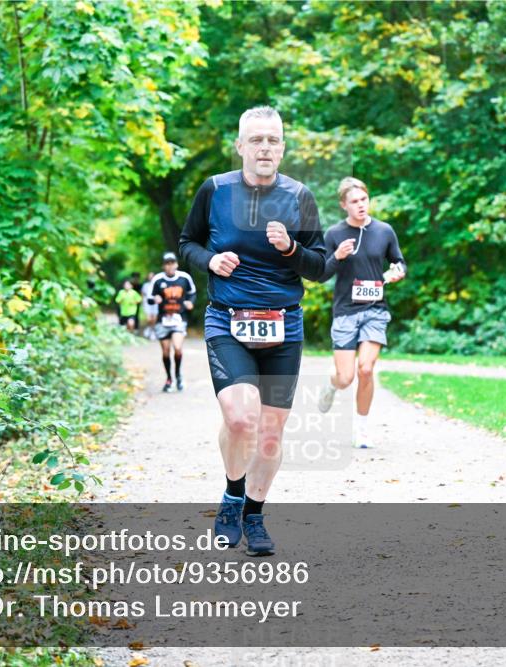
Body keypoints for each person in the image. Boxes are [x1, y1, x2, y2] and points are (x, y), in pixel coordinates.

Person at [178, 105, 327, 556]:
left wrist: (290, 249)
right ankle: (231, 495)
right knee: (240, 419)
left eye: (274, 139)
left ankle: (254, 516)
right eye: (257, 139)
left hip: (284, 324)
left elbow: (320, 268)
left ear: (283, 147)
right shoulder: (215, 190)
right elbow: (187, 244)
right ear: (241, 145)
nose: (266, 147)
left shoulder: (300, 195)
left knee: (268, 435)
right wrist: (210, 261)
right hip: (228, 319)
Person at [316, 177, 406, 450]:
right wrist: (337, 257)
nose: (360, 205)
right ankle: (332, 386)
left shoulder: (384, 231)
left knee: (366, 369)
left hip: (375, 311)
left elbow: (399, 261)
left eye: (364, 200)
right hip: (345, 312)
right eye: (354, 202)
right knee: (346, 378)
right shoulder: (334, 234)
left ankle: (362, 429)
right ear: (344, 205)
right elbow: (321, 273)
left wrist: (398, 271)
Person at [152, 253, 196, 392]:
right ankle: (169, 378)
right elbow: (149, 298)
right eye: (167, 263)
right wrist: (156, 298)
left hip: (179, 318)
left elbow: (192, 292)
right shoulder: (158, 280)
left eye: (172, 263)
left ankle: (178, 375)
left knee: (177, 348)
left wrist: (190, 302)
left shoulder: (184, 278)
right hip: (163, 320)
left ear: (176, 264)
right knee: (165, 352)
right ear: (163, 265)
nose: (170, 266)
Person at [141, 271, 158, 339]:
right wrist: (142, 302)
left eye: (152, 276)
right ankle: (149, 328)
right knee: (149, 319)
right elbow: (142, 294)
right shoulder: (145, 285)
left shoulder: (157, 284)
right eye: (150, 276)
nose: (151, 278)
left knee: (154, 318)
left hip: (155, 303)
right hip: (147, 303)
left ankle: (152, 331)